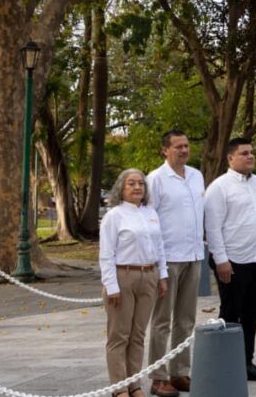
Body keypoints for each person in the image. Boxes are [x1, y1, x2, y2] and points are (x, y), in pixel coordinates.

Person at [204, 137, 256, 381]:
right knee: (231, 312)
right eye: (244, 153)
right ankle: (227, 366)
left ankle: (246, 362)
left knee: (253, 311)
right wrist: (221, 259)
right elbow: (213, 227)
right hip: (233, 260)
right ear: (230, 158)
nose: (250, 157)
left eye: (252, 153)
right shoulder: (219, 187)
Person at [146, 130, 205, 397]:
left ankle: (180, 372)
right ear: (165, 150)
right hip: (168, 259)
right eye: (178, 146)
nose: (184, 150)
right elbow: (150, 222)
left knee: (186, 320)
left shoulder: (196, 176)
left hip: (193, 257)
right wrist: (157, 265)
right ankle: (158, 377)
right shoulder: (156, 180)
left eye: (186, 145)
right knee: (162, 321)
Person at [99, 169, 168, 397]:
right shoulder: (114, 216)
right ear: (122, 188)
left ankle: (134, 384)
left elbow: (160, 248)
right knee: (119, 335)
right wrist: (111, 285)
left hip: (148, 275)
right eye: (131, 184)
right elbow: (106, 254)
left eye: (141, 183)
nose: (137, 187)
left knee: (138, 334)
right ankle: (119, 388)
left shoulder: (151, 213)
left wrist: (162, 275)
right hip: (123, 276)